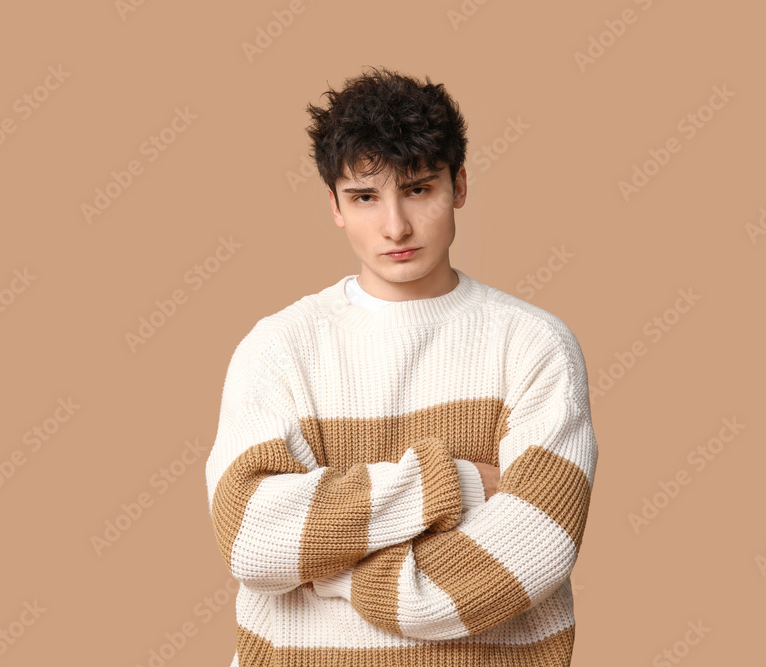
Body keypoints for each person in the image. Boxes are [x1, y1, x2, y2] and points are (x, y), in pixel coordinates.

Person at [205, 65, 599, 667]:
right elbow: (251, 539)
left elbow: (524, 560)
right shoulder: (279, 348)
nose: (395, 227)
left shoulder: (534, 345)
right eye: (365, 197)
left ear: (458, 185)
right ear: (335, 205)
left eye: (417, 189)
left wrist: (323, 567)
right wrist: (453, 485)